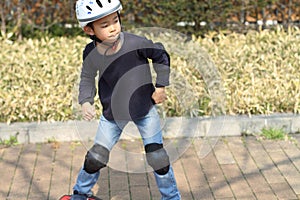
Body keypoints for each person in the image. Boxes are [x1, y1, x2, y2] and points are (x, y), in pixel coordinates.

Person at [71, 0, 181, 199]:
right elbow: (87, 77)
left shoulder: (135, 43)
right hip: (113, 113)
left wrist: (161, 86)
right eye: (105, 25)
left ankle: (171, 197)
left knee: (157, 157)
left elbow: (161, 55)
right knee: (96, 157)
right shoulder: (91, 53)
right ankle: (79, 194)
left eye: (115, 21)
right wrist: (85, 101)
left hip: (144, 109)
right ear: (89, 29)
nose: (113, 28)